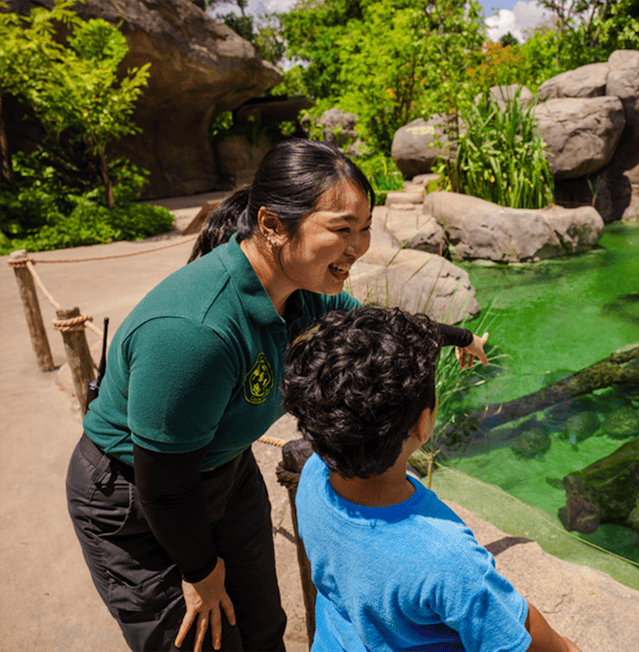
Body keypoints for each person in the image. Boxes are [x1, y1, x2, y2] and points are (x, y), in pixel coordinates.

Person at [66, 138, 490, 652]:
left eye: (364, 230)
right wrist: (200, 571)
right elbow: (165, 484)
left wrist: (460, 338)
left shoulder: (304, 290)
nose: (357, 247)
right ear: (270, 226)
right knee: (200, 641)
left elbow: (381, 330)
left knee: (263, 627)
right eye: (341, 229)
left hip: (223, 469)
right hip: (135, 495)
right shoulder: (195, 332)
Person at [282, 306, 581, 652]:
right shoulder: (446, 557)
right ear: (422, 424)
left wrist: (461, 337)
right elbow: (526, 641)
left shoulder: (312, 477)